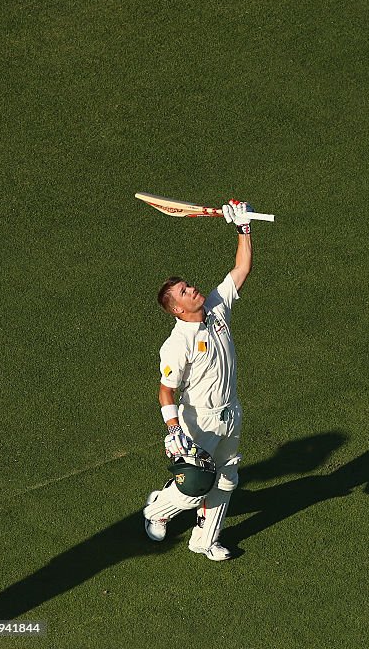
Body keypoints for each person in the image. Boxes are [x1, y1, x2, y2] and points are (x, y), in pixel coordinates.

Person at [142, 199, 254, 560]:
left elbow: (241, 268)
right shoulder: (177, 343)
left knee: (227, 479)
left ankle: (204, 541)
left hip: (230, 412)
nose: (192, 290)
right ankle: (157, 509)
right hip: (198, 420)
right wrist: (173, 430)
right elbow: (166, 390)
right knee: (194, 488)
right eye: (184, 292)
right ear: (176, 309)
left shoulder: (218, 308)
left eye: (189, 285)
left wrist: (243, 227)